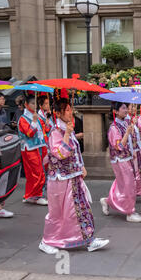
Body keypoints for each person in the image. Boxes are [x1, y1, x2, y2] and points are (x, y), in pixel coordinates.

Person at [39, 98, 109, 254]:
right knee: (58, 213)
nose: (71, 112)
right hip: (60, 180)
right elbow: (60, 154)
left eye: (71, 108)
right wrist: (68, 135)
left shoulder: (66, 129)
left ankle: (89, 239)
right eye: (67, 109)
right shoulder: (55, 132)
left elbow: (75, 151)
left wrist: (81, 166)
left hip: (72, 176)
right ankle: (47, 241)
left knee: (80, 208)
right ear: (58, 113)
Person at [100, 102, 141, 223]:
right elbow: (119, 146)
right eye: (123, 108)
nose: (126, 110)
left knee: (124, 185)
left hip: (127, 158)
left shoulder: (124, 123)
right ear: (116, 111)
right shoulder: (113, 128)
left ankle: (108, 200)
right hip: (121, 160)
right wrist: (127, 133)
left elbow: (131, 140)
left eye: (126, 107)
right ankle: (130, 212)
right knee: (129, 185)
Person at [18, 95, 48, 205]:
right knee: (36, 173)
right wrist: (35, 122)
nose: (34, 106)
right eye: (32, 104)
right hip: (29, 148)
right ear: (26, 104)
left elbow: (45, 130)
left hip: (39, 147)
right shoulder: (23, 119)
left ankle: (30, 195)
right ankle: (36, 195)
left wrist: (46, 123)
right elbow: (29, 133)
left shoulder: (35, 116)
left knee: (36, 173)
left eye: (35, 104)